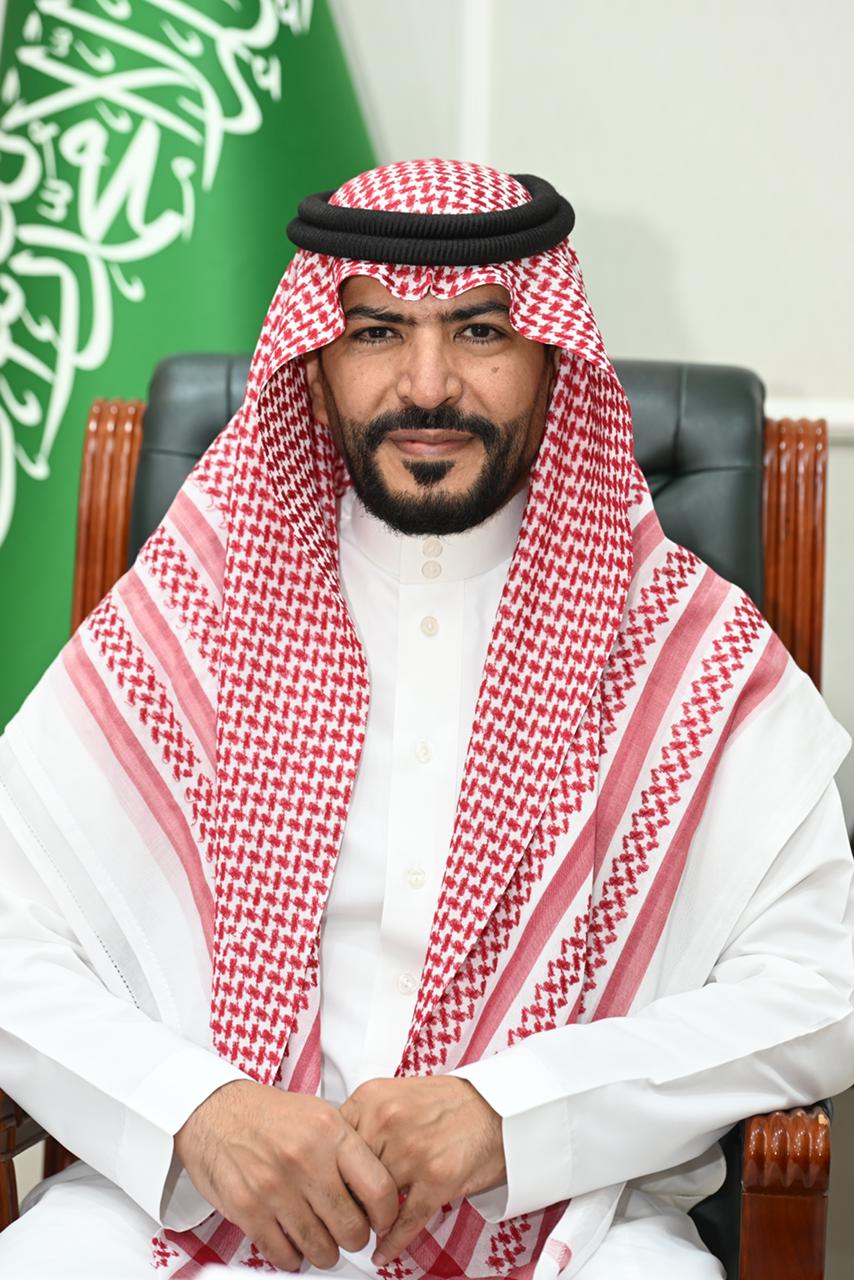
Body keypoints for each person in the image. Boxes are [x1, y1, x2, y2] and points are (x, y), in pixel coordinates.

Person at [0, 158, 852, 1280]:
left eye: (481, 331)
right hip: (194, 1207)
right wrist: (193, 1108)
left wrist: (518, 1113)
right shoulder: (197, 600)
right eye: (376, 332)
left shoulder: (677, 649)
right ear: (315, 366)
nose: (429, 383)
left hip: (566, 1225)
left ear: (551, 358)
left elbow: (820, 983)